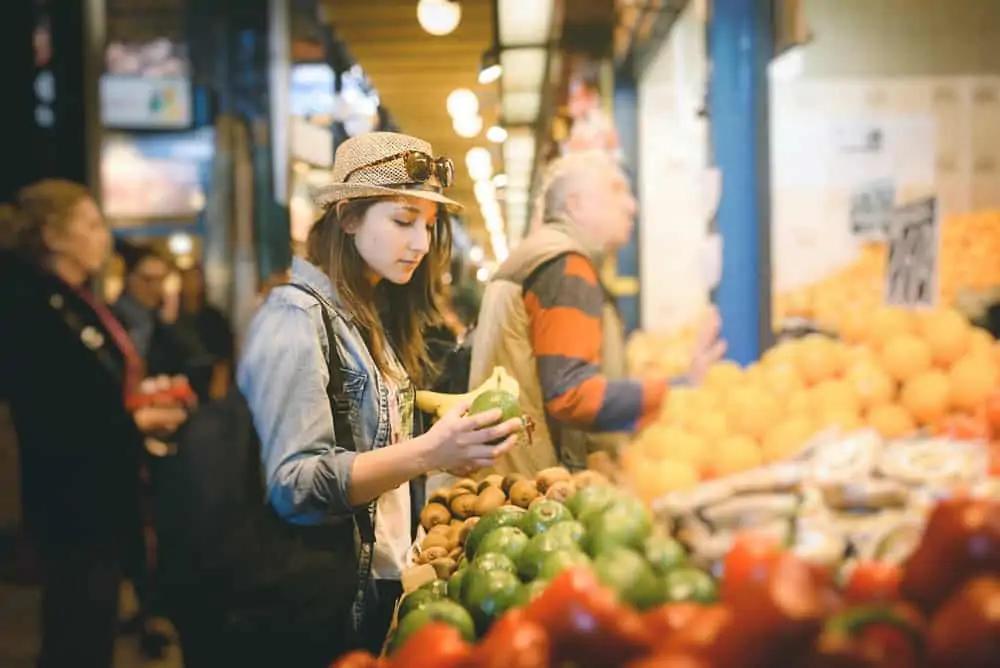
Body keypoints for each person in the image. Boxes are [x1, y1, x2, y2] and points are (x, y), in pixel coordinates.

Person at [237, 132, 522, 661]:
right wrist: (430, 453)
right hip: (320, 615)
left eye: (429, 227)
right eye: (402, 220)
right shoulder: (295, 318)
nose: (418, 243)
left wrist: (437, 415)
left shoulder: (364, 314)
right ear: (347, 217)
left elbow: (367, 420)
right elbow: (295, 486)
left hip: (378, 588)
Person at [0, 179, 189, 667]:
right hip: (72, 499)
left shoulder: (75, 300)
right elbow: (58, 414)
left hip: (102, 493)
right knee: (76, 628)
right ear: (52, 236)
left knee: (93, 623)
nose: (102, 234)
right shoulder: (35, 306)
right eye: (89, 223)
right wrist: (137, 422)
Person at [469, 150, 726, 475]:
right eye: (617, 190)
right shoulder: (566, 265)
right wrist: (676, 388)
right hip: (536, 490)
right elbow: (571, 395)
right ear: (576, 205)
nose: (631, 206)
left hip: (508, 479)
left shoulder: (539, 256)